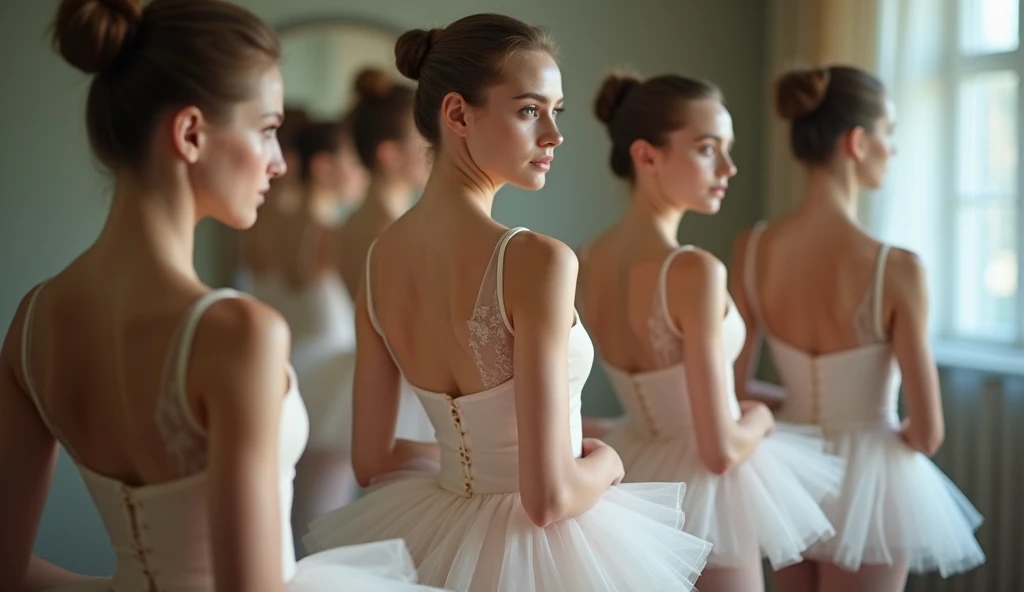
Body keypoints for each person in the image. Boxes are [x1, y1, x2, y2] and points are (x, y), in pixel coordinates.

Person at [0, 1, 443, 589]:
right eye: (265, 130)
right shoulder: (237, 334)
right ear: (189, 134)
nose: (280, 162)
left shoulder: (33, 322)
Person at [303, 13, 712, 592]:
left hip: (440, 544)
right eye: (529, 110)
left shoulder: (379, 260)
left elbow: (372, 461)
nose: (554, 134)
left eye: (555, 111)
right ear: (457, 114)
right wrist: (611, 462)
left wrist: (466, 468)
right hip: (547, 553)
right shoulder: (536, 261)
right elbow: (548, 499)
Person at [580, 71, 844, 592]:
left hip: (636, 480)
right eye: (707, 149)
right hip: (707, 491)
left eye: (727, 149)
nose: (728, 167)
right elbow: (719, 450)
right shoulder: (693, 271)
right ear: (646, 156)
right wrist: (763, 417)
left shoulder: (586, 260)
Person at [732, 65, 985, 592]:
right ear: (857, 142)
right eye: (889, 134)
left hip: (787, 473)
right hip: (872, 475)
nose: (893, 149)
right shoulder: (896, 268)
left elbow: (735, 389)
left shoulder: (752, 250)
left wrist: (804, 407)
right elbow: (927, 432)